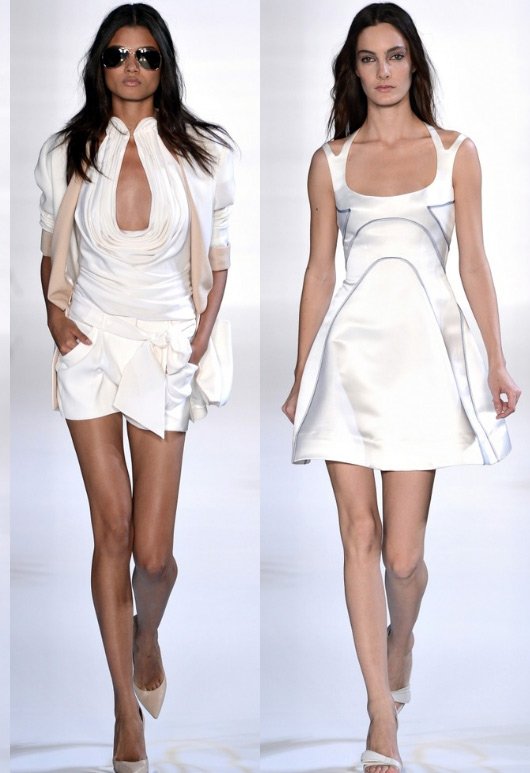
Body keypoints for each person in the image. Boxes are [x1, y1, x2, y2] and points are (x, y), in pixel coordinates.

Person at [282, 3, 520, 771]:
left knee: (404, 555)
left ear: (413, 63)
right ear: (352, 71)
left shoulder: (456, 154)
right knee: (359, 534)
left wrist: (497, 360)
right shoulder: (330, 161)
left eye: (393, 55)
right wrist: (301, 371)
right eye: (367, 58)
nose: (382, 71)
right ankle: (380, 715)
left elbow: (474, 262)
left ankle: (402, 634)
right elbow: (320, 270)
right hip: (349, 359)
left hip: (422, 363)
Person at [35, 4, 234, 769]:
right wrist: (55, 318)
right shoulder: (65, 151)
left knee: (153, 554)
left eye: (146, 55)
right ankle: (125, 710)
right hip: (91, 342)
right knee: (111, 531)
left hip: (164, 344)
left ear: (164, 65)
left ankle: (147, 632)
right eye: (118, 54)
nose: (131, 66)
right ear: (100, 64)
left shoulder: (205, 153)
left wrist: (203, 332)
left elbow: (219, 258)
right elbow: (49, 247)